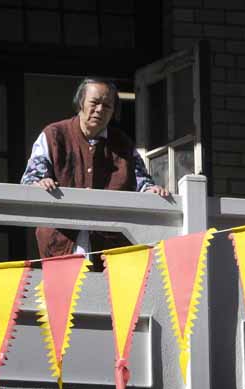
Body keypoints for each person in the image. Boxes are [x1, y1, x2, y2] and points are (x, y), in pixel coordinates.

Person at [21, 77, 169, 263]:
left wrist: (150, 190)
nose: (100, 109)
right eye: (94, 102)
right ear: (80, 104)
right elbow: (30, 179)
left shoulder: (122, 143)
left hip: (109, 247)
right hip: (60, 243)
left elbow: (141, 180)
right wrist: (39, 182)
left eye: (107, 106)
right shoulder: (54, 134)